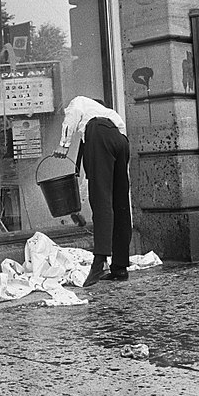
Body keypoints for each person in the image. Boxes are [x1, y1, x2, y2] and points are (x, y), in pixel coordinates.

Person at [53, 96, 131, 287]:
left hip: (101, 137)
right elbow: (87, 168)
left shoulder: (80, 103)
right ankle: (120, 267)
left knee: (102, 201)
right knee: (120, 202)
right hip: (122, 141)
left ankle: (99, 261)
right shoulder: (110, 117)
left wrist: (63, 144)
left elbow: (71, 118)